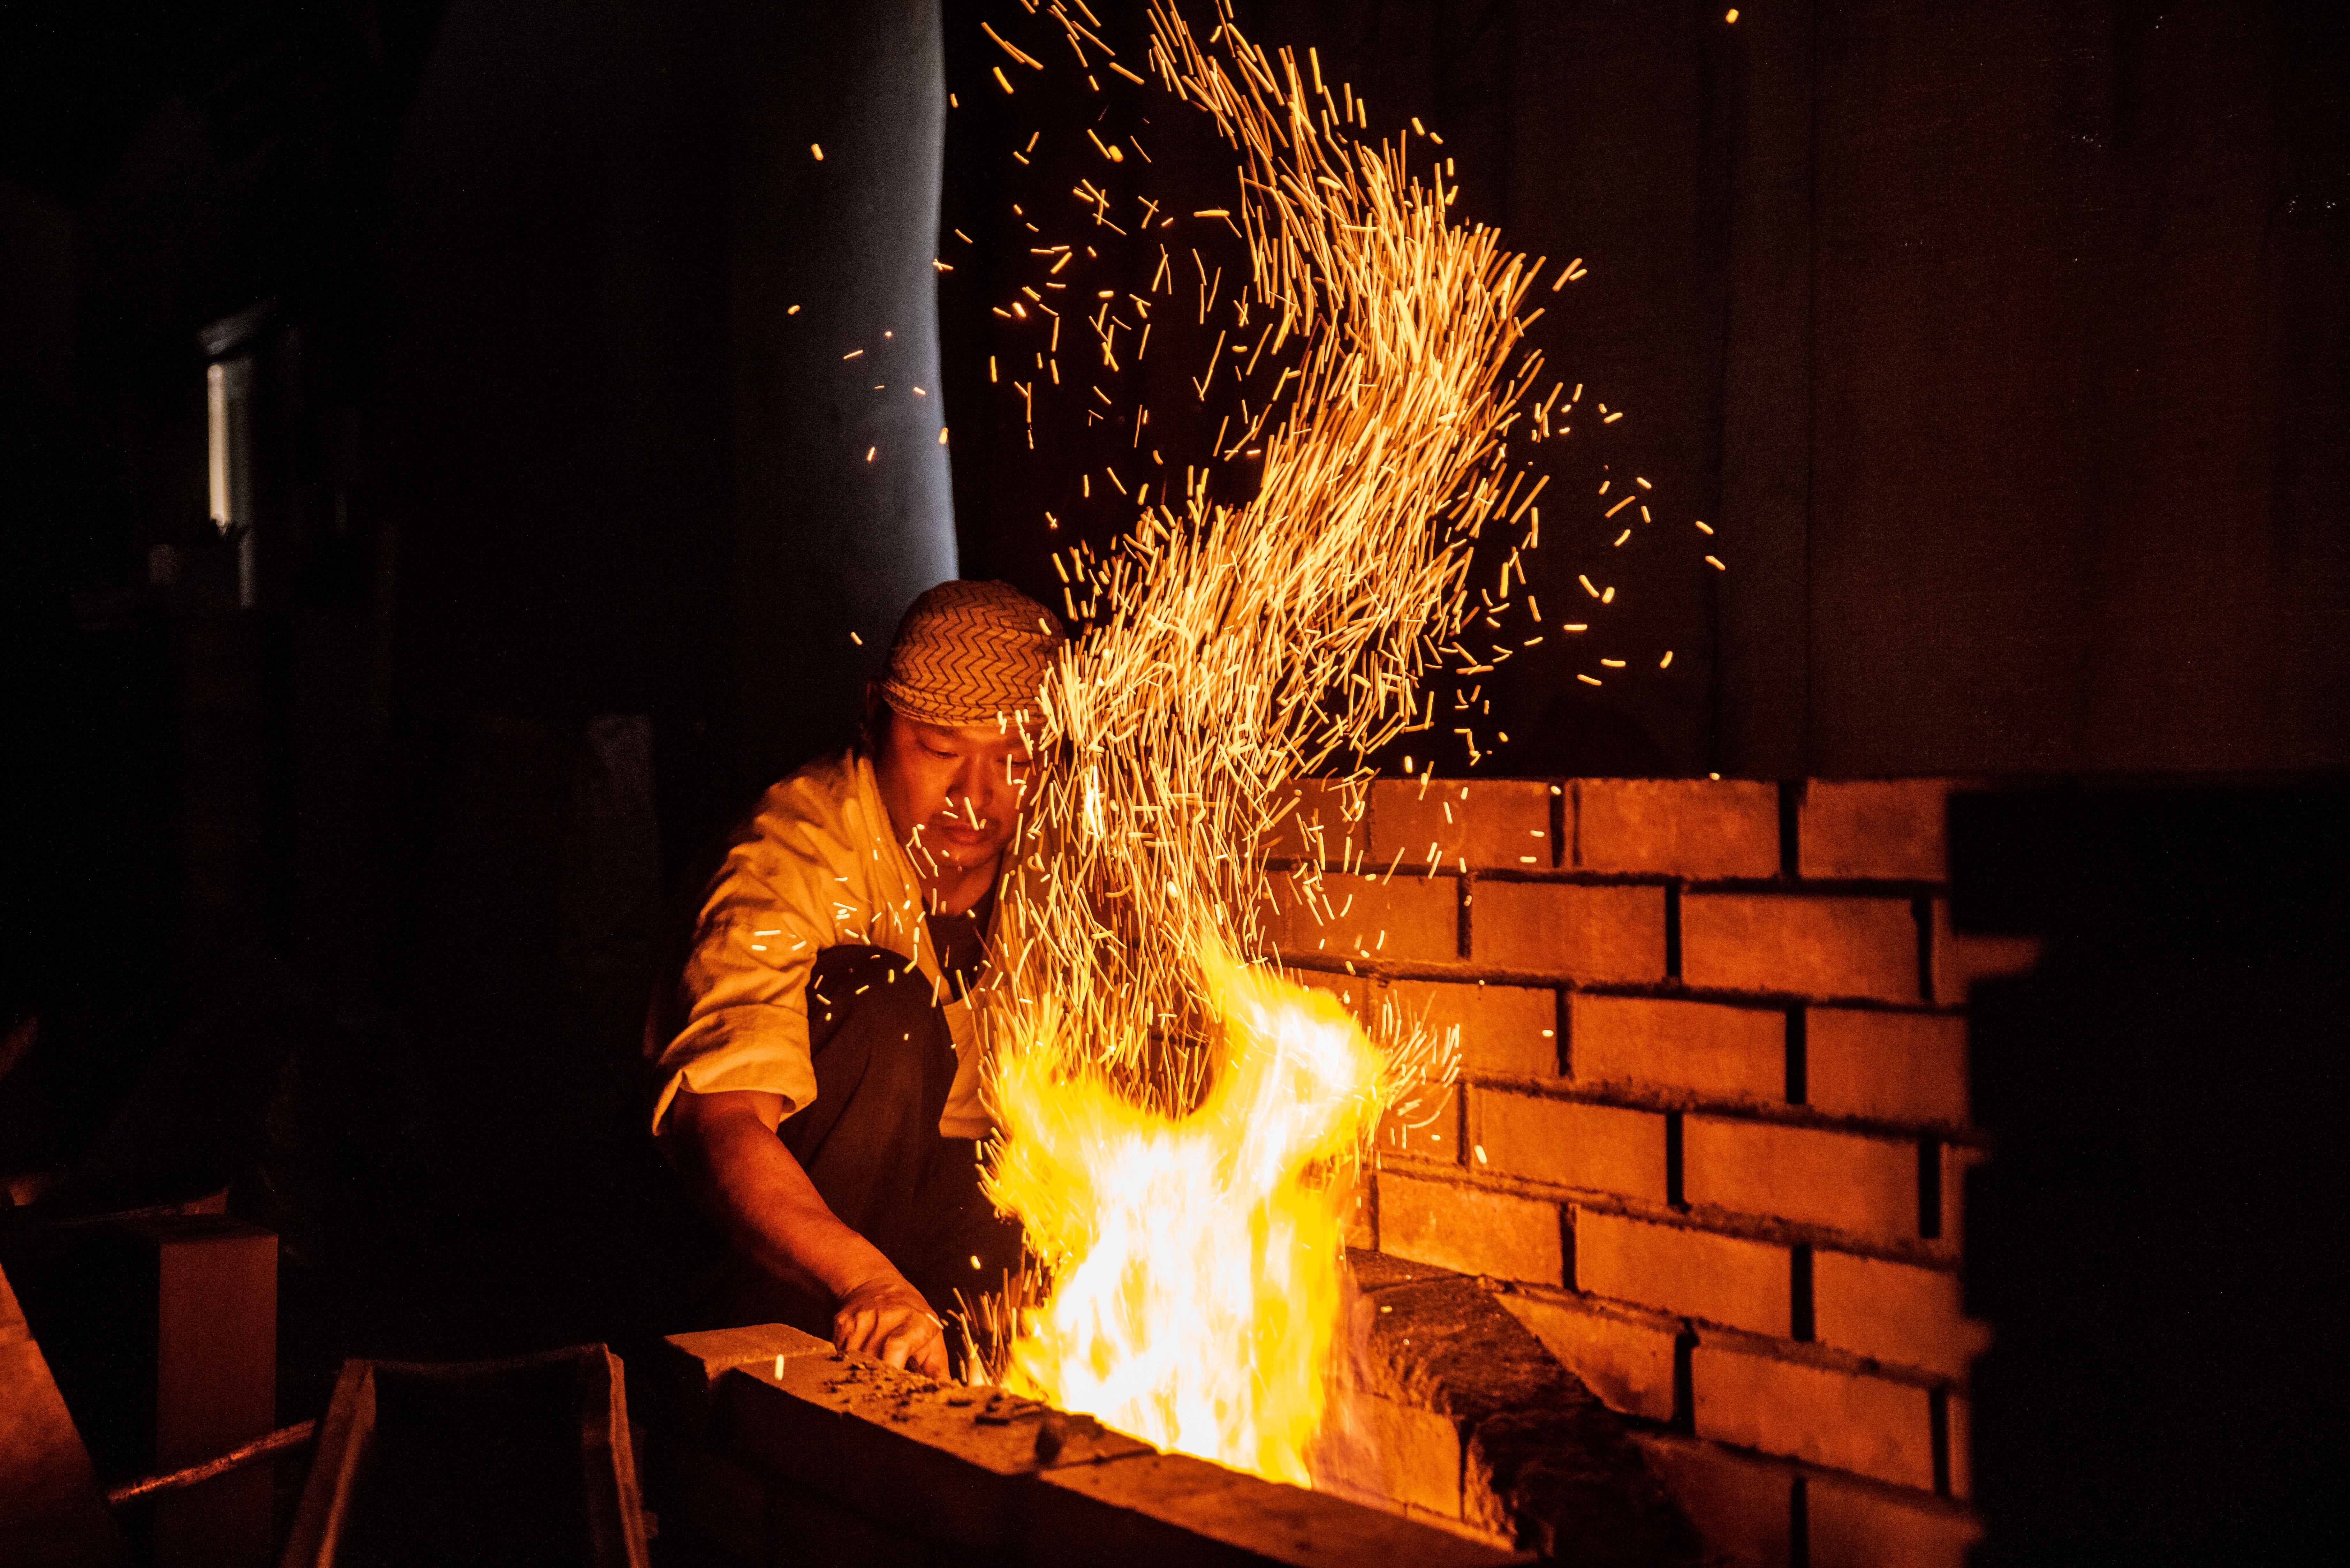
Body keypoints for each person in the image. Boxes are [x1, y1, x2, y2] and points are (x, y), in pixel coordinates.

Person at [649, 580, 1062, 1378]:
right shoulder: (788, 855)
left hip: (941, 1215)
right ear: (874, 716)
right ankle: (789, 1404)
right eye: (939, 751)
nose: (975, 798)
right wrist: (867, 1280)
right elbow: (722, 1117)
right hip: (771, 1257)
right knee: (887, 1015)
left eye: (1014, 761)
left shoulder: (1064, 861)